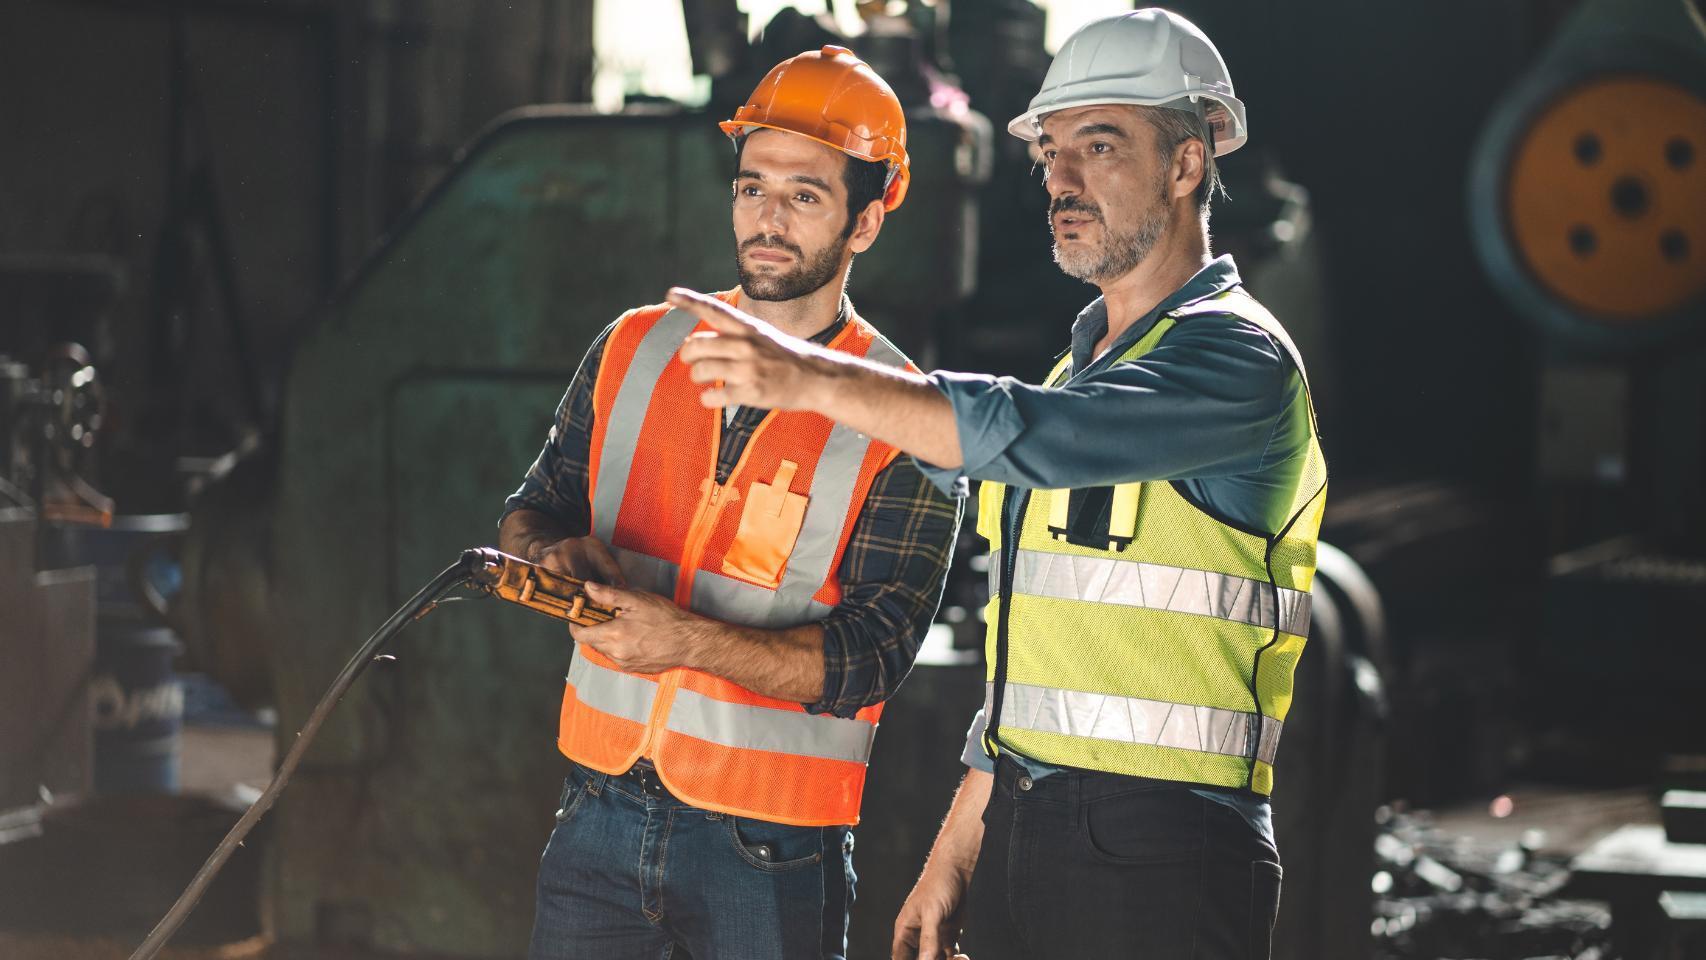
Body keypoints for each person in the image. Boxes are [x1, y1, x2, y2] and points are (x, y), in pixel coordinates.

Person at [666, 10, 1327, 959]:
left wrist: (808, 376)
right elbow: (1042, 663)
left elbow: (1026, 435)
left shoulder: (1237, 361)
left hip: (1167, 852)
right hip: (1034, 827)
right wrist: (957, 855)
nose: (1060, 181)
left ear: (1188, 165)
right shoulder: (1080, 373)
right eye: (1051, 153)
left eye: (1099, 148)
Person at [498, 45, 961, 960]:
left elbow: (870, 657)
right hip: (596, 808)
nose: (768, 220)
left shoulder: (909, 416)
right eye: (753, 188)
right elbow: (533, 507)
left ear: (866, 221)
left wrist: (684, 642)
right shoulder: (636, 344)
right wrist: (554, 557)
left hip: (770, 849)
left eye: (805, 195)